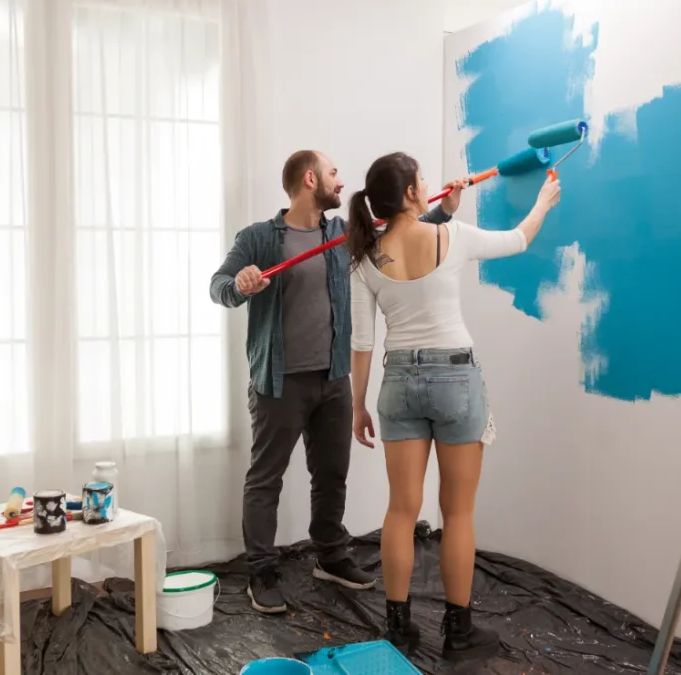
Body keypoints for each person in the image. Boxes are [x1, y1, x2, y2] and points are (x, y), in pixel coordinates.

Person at [209, 149, 458, 614]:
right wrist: (238, 283)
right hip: (278, 382)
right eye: (333, 173)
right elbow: (219, 286)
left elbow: (399, 232)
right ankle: (261, 571)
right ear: (310, 179)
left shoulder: (341, 235)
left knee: (331, 475)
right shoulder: (260, 239)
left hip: (333, 379)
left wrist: (443, 211)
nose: (341, 181)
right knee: (266, 480)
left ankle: (331, 555)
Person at [346, 152, 561, 661]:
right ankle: (457, 632)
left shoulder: (365, 259)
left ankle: (398, 630)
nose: (428, 184)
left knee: (401, 510)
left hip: (397, 381)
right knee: (457, 511)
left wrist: (358, 406)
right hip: (455, 377)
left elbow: (361, 343)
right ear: (412, 195)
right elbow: (519, 238)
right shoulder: (453, 237)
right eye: (421, 179)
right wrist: (545, 201)